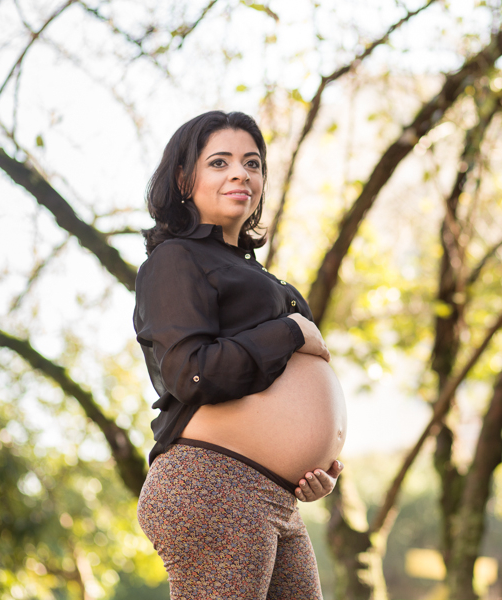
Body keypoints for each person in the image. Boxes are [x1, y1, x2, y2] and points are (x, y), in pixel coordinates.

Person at [134, 110, 347, 599]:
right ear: (185, 178)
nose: (240, 173)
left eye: (252, 163)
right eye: (219, 162)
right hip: (213, 483)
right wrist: (291, 332)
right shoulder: (174, 260)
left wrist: (316, 464)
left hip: (270, 495)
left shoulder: (255, 273)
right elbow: (191, 374)